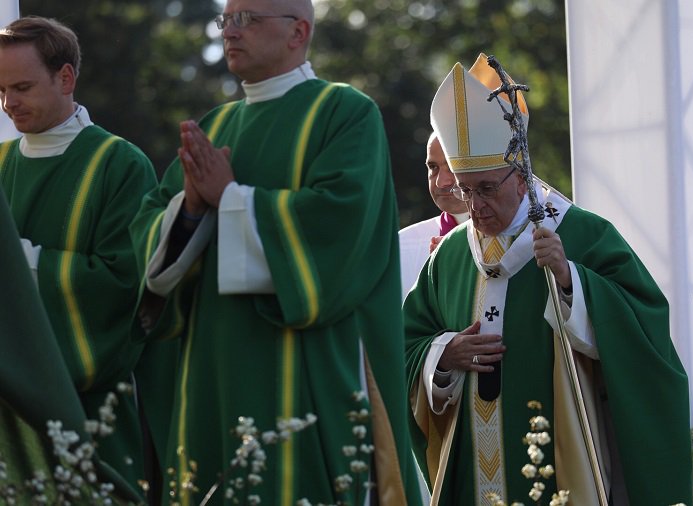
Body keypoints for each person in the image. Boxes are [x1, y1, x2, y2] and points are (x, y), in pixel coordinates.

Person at [129, 0, 422, 504]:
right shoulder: (215, 126)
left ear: (298, 32)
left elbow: (339, 226)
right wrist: (190, 208)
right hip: (213, 367)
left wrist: (230, 198)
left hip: (305, 362)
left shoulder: (344, 112)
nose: (229, 32)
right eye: (225, 20)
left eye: (246, 19)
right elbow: (148, 235)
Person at [404, 54, 692, 506]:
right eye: (464, 189)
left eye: (486, 188)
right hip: (471, 474)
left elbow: (647, 332)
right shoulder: (450, 256)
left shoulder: (582, 234)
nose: (474, 206)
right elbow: (405, 344)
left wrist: (571, 280)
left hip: (561, 464)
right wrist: (442, 355)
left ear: (521, 178)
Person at [0, 16, 155, 496]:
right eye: (0, 90)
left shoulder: (119, 164)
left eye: (21, 87)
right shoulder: (0, 162)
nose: (8, 103)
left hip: (91, 409)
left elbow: (123, 286)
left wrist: (16, 262)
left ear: (65, 78)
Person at [399, 132, 469, 297]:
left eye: (452, 166)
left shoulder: (522, 239)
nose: (441, 182)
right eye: (433, 167)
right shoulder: (401, 246)